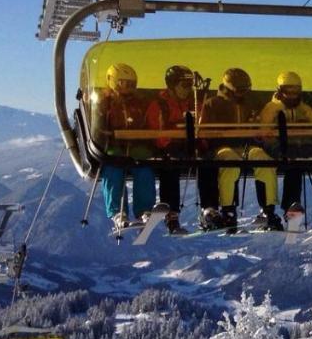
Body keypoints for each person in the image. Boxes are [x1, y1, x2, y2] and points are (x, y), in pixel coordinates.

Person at [198, 67, 281, 231]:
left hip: (247, 146)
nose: (243, 94)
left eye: (245, 90)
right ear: (229, 88)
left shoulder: (251, 102)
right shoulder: (213, 104)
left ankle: (268, 210)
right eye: (239, 90)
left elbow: (260, 122)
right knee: (230, 162)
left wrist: (258, 133)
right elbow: (204, 131)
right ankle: (228, 211)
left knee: (264, 160)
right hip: (221, 147)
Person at [257, 70, 312, 227]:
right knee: (293, 165)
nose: (292, 95)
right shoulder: (272, 108)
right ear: (280, 91)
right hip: (281, 148)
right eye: (289, 91)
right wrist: (276, 146)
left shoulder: (305, 109)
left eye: (296, 91)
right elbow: (265, 132)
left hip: (304, 146)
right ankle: (291, 206)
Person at [93, 62, 156, 228]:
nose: (127, 88)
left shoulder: (139, 103)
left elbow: (148, 122)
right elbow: (97, 126)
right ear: (113, 81)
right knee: (113, 169)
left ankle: (144, 209)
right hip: (113, 146)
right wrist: (109, 135)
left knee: (144, 168)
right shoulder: (104, 102)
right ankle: (117, 211)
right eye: (123, 83)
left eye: (130, 84)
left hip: (136, 145)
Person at [144, 63, 199, 234]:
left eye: (190, 85)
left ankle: (213, 209)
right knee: (170, 166)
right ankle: (172, 215)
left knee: (209, 163)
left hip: (186, 146)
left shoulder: (193, 102)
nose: (188, 89)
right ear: (172, 85)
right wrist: (174, 142)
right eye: (184, 85)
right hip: (165, 148)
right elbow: (157, 132)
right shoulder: (160, 105)